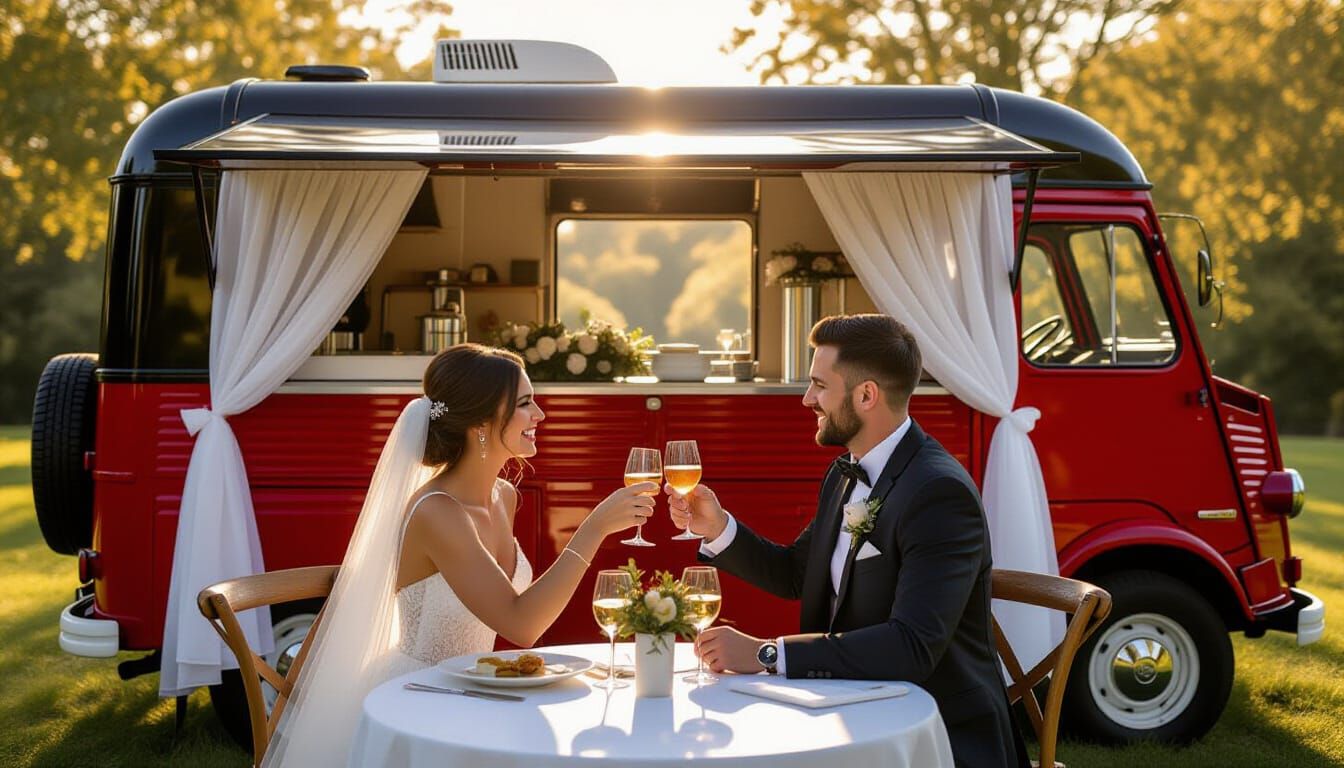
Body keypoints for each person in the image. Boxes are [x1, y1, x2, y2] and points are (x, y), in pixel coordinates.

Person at [264, 344, 654, 767]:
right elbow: (522, 623)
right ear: (482, 424)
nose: (540, 416)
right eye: (525, 404)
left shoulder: (504, 496)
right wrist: (593, 529)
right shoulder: (437, 512)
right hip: (421, 699)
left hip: (478, 689)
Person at [668, 314, 1027, 768]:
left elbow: (912, 646)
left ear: (866, 395)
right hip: (847, 710)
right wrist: (718, 526)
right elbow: (796, 574)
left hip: (934, 733)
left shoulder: (939, 493)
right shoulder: (845, 472)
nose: (806, 399)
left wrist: (765, 653)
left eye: (819, 385)